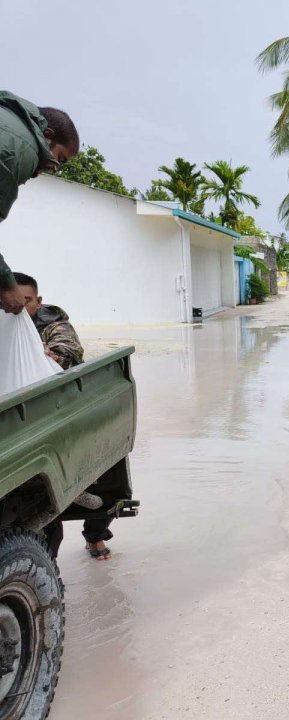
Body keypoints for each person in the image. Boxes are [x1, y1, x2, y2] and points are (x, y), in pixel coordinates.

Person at [16, 272, 115, 561]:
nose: (20, 309)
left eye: (28, 301)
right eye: (13, 302)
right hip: (24, 421)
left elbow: (67, 352)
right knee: (43, 511)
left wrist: (42, 356)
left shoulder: (52, 325)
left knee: (99, 482)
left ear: (39, 301)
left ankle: (95, 536)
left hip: (65, 410)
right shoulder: (4, 325)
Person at [0, 92, 79, 314]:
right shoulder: (21, 149)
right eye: (59, 158)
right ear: (47, 135)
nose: (54, 167)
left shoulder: (8, 120)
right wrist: (6, 284)